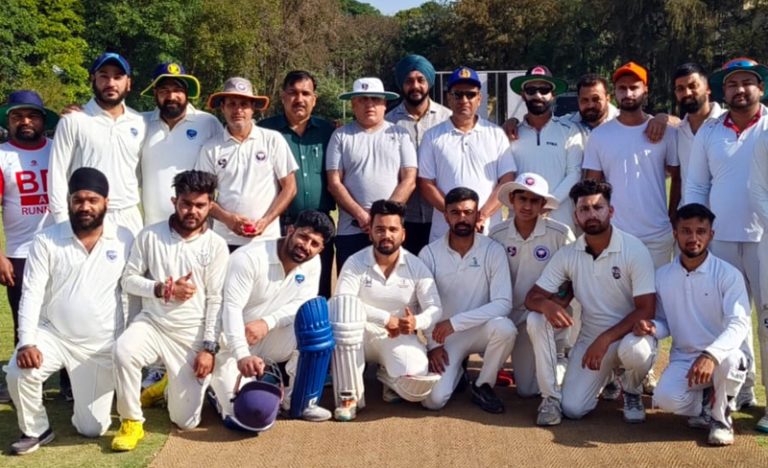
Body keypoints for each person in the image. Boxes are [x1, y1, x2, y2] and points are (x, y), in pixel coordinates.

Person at [5, 168, 133, 455]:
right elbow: (32, 292)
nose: (85, 206)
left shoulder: (124, 238)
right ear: (68, 201)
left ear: (106, 202)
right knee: (18, 369)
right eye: (78, 199)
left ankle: (83, 403)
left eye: (92, 200)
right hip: (54, 334)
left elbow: (133, 290)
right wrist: (27, 341)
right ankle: (36, 430)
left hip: (100, 345)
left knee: (92, 428)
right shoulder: (47, 239)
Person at [111, 170, 228, 451]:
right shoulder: (150, 235)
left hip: (191, 334)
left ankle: (164, 386)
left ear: (211, 205)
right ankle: (131, 421)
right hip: (153, 322)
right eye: (186, 203)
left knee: (185, 421)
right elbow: (128, 280)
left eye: (200, 205)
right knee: (123, 351)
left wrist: (208, 349)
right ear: (174, 201)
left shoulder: (216, 245)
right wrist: (163, 289)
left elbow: (216, 299)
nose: (192, 211)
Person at [525, 179, 657, 423]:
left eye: (598, 207)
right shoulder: (568, 253)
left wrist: (605, 339)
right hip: (591, 337)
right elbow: (531, 297)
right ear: (576, 216)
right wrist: (547, 304)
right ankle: (607, 376)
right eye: (584, 209)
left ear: (611, 211)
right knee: (573, 408)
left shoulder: (634, 249)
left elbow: (646, 309)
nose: (592, 214)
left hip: (630, 334)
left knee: (637, 352)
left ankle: (631, 388)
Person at [688, 58, 768, 423]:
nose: (740, 89)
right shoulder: (710, 130)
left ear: (760, 88)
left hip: (764, 237)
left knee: (767, 319)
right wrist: (697, 234)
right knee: (730, 319)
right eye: (732, 83)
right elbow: (696, 185)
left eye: (747, 82)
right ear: (724, 91)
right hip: (719, 240)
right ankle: (739, 390)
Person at [634, 203, 750, 446]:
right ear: (675, 233)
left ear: (711, 235)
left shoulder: (728, 274)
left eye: (701, 231)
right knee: (665, 400)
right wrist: (653, 327)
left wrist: (711, 354)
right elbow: (666, 322)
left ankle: (721, 418)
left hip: (722, 357)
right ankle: (711, 400)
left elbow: (739, 323)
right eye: (686, 231)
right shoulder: (663, 275)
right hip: (685, 358)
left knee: (729, 360)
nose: (693, 238)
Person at [208, 210, 337, 426]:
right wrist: (241, 355)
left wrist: (267, 323)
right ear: (290, 230)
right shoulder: (248, 258)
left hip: (267, 337)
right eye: (303, 237)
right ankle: (214, 387)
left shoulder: (312, 263)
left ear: (321, 249)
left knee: (314, 324)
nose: (306, 246)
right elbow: (230, 309)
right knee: (249, 413)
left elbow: (300, 305)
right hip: (229, 345)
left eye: (314, 244)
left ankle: (299, 400)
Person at [329, 200, 442, 421]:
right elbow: (341, 302)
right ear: (370, 232)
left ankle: (387, 377)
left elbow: (434, 307)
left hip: (397, 335)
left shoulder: (416, 265)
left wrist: (416, 322)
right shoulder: (355, 262)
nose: (386, 235)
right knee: (344, 319)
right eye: (380, 229)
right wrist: (385, 317)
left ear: (403, 233)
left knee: (415, 377)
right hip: (359, 334)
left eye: (392, 229)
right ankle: (349, 397)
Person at [488, 172, 575, 425]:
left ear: (542, 205)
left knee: (538, 320)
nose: (527, 206)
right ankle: (556, 365)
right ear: (512, 200)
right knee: (526, 389)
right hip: (511, 314)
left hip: (545, 313)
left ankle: (561, 361)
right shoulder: (497, 233)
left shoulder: (560, 233)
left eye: (534, 200)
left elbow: (572, 278)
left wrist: (559, 304)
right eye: (522, 198)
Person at [419, 187, 515, 413]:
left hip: (480, 330)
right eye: (455, 212)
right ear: (445, 215)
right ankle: (458, 373)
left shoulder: (493, 250)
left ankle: (483, 385)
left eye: (468, 212)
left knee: (505, 328)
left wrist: (455, 322)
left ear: (477, 214)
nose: (462, 218)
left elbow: (503, 303)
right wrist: (433, 345)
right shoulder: (429, 253)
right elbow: (421, 304)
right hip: (445, 338)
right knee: (432, 401)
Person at [584, 61, 680, 269]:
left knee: (657, 298)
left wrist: (673, 218)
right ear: (614, 93)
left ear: (645, 90)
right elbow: (592, 185)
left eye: (634, 87)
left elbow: (678, 177)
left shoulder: (666, 132)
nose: (628, 93)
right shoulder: (600, 136)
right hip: (616, 234)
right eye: (622, 88)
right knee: (619, 300)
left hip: (657, 235)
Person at [0, 90, 58, 403]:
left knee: (64, 314)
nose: (25, 121)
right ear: (8, 120)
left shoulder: (56, 149)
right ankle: (18, 379)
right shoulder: (2, 154)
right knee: (25, 318)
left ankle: (68, 382)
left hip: (59, 248)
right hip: (20, 253)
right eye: (17, 115)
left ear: (42, 119)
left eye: (32, 115)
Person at [48, 52, 146, 236]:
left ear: (129, 83)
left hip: (128, 216)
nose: (111, 83)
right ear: (93, 79)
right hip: (87, 215)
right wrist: (63, 221)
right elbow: (57, 174)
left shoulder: (140, 122)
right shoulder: (73, 120)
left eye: (118, 77)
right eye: (104, 76)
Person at [259, 70, 336, 298]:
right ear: (283, 96)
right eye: (292, 93)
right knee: (276, 287)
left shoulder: (328, 132)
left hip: (320, 224)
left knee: (318, 290)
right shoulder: (265, 131)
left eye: (305, 93)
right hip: (280, 223)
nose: (299, 99)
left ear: (314, 99)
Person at [197, 76, 298, 250]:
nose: (238, 110)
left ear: (253, 109)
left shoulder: (272, 140)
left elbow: (290, 187)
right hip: (224, 240)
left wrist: (265, 221)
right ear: (223, 107)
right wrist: (228, 219)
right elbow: (202, 195)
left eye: (244, 104)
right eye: (232, 104)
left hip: (266, 239)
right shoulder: (210, 147)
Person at [326, 77, 417, 270]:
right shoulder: (340, 136)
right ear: (353, 104)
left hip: (390, 230)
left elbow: (409, 179)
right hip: (352, 229)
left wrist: (384, 216)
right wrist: (362, 215)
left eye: (375, 99)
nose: (369, 104)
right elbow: (334, 182)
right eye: (362, 99)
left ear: (384, 104)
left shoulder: (400, 134)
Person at [419, 66, 515, 241]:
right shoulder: (432, 136)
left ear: (479, 98)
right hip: (445, 233)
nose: (464, 100)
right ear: (449, 98)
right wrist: (455, 215)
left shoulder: (495, 134)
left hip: (487, 230)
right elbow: (426, 184)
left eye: (470, 94)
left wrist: (482, 215)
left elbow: (507, 180)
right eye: (458, 94)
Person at [140, 62, 222, 226]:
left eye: (177, 90)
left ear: (187, 93)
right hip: (153, 228)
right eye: (164, 91)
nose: (171, 97)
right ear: (155, 92)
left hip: (198, 228)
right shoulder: (141, 122)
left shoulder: (207, 122)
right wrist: (81, 111)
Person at [386, 55, 452, 254]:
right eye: (409, 81)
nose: (415, 86)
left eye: (420, 80)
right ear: (401, 85)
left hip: (440, 218)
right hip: (405, 219)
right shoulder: (388, 123)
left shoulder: (447, 119)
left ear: (429, 82)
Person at [505, 66, 584, 229]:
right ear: (522, 94)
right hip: (521, 223)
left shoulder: (569, 130)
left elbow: (574, 174)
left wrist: (548, 203)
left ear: (553, 94)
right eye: (531, 90)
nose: (538, 95)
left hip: (560, 222)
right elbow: (507, 178)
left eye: (544, 89)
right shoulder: (510, 133)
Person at [672, 63, 724, 197]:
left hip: (726, 215)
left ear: (708, 89)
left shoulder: (729, 122)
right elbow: (676, 178)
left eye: (693, 86)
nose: (687, 93)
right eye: (680, 89)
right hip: (689, 215)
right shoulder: (676, 132)